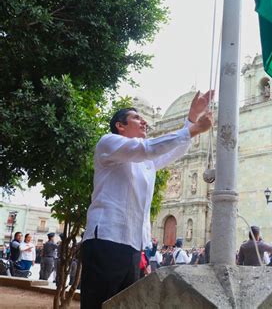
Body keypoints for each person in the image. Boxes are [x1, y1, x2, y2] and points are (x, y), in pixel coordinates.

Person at [80, 91, 213, 309]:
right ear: (120, 126)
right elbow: (147, 148)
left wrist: (191, 117)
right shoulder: (109, 143)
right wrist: (195, 128)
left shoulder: (145, 162)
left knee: (126, 304)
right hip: (106, 239)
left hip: (133, 245)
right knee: (98, 304)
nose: (143, 121)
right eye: (136, 118)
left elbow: (175, 150)